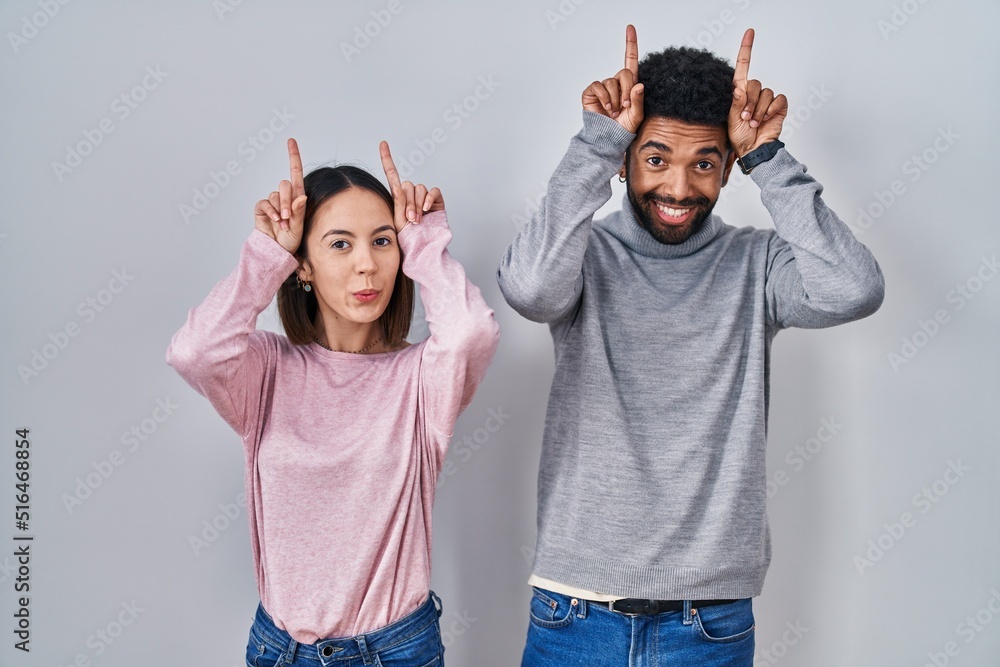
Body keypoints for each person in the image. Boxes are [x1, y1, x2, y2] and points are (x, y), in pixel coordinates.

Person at [496, 25, 885, 666]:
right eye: (655, 158)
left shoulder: (756, 264)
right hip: (575, 612)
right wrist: (597, 142)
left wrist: (770, 158)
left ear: (727, 168)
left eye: (703, 163)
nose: (678, 187)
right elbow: (531, 290)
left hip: (708, 623)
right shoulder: (582, 255)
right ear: (624, 161)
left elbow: (854, 289)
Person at [165, 137, 499, 666]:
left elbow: (469, 335)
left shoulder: (421, 378)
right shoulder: (267, 370)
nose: (367, 265)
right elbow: (195, 352)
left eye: (383, 242)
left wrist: (427, 241)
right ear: (303, 266)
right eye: (340, 244)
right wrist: (266, 255)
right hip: (279, 650)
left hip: (395, 651)